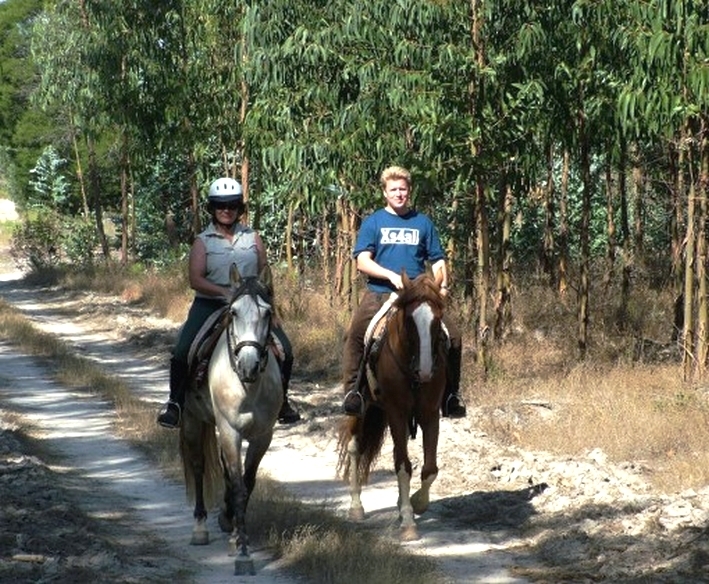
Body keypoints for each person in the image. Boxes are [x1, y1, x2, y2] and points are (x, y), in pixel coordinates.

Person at [157, 177, 300, 428]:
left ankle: (282, 402)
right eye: (221, 205)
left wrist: (272, 308)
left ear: (239, 209)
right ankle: (175, 403)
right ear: (212, 208)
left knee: (285, 349)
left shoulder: (253, 238)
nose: (226, 210)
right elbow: (195, 279)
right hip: (211, 304)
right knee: (183, 350)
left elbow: (265, 274)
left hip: (252, 308)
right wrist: (225, 293)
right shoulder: (203, 241)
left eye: (232, 205)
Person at [342, 165, 466, 418]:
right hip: (381, 293)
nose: (399, 194)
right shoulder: (374, 222)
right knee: (356, 334)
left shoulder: (423, 223)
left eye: (403, 189)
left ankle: (452, 395)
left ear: (409, 191)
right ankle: (353, 392)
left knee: (452, 336)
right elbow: (362, 261)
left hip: (418, 295)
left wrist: (441, 286)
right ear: (385, 193)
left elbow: (438, 260)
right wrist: (390, 275)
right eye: (394, 190)